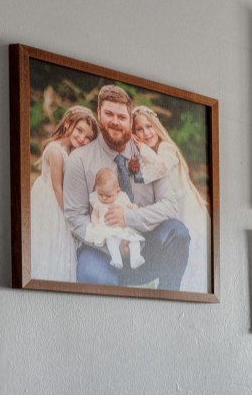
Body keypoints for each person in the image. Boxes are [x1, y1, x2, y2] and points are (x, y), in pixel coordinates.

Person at [64, 84, 190, 289]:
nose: (115, 121)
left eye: (121, 117)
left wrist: (129, 219)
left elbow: (170, 206)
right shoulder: (78, 160)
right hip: (102, 250)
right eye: (109, 114)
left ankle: (168, 304)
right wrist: (111, 241)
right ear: (98, 114)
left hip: (146, 244)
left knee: (178, 232)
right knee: (95, 278)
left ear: (130, 120)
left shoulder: (148, 155)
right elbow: (75, 217)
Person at [132, 105, 210, 294]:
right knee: (177, 255)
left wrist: (141, 147)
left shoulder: (167, 149)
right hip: (172, 216)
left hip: (188, 213)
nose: (146, 133)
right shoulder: (143, 156)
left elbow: (160, 169)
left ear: (157, 127)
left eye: (149, 127)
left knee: (191, 260)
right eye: (139, 130)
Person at [29, 105, 94, 281]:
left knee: (63, 245)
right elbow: (58, 187)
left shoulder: (71, 151)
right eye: (79, 131)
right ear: (67, 123)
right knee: (53, 242)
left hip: (61, 201)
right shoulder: (55, 151)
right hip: (52, 203)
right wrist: (71, 218)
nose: (82, 138)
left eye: (87, 137)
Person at [83, 166, 148, 270]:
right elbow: (94, 214)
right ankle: (116, 259)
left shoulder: (121, 198)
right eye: (100, 194)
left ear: (117, 192)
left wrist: (133, 207)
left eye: (108, 196)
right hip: (108, 229)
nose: (104, 198)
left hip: (123, 229)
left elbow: (130, 207)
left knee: (134, 240)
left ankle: (136, 258)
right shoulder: (98, 202)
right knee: (111, 242)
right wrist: (95, 223)